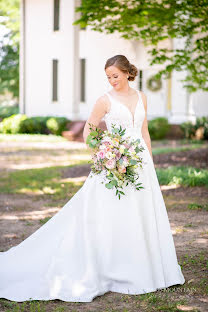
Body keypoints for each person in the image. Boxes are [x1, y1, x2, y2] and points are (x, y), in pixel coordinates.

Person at [0, 54, 185, 303]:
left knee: (139, 213)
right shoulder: (104, 100)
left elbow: (144, 132)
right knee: (107, 213)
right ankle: (109, 265)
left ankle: (143, 267)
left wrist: (149, 163)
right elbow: (89, 130)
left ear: (128, 72)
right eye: (108, 77)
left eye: (115, 76)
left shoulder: (142, 97)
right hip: (112, 163)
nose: (112, 81)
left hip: (140, 164)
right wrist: (105, 152)